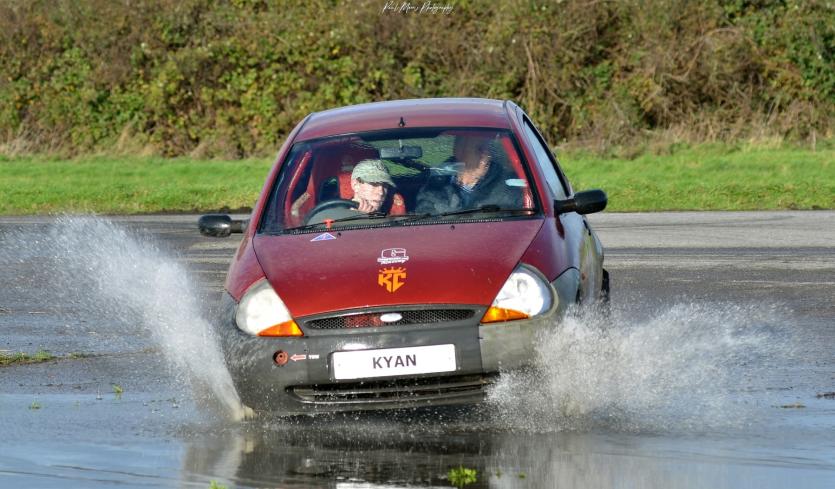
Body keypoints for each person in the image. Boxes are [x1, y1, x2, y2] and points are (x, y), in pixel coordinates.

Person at [415, 134, 520, 214]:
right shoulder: (440, 175)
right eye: (479, 149)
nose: (485, 155)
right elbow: (425, 213)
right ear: (456, 150)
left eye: (485, 148)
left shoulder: (506, 184)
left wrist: (468, 184)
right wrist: (464, 185)